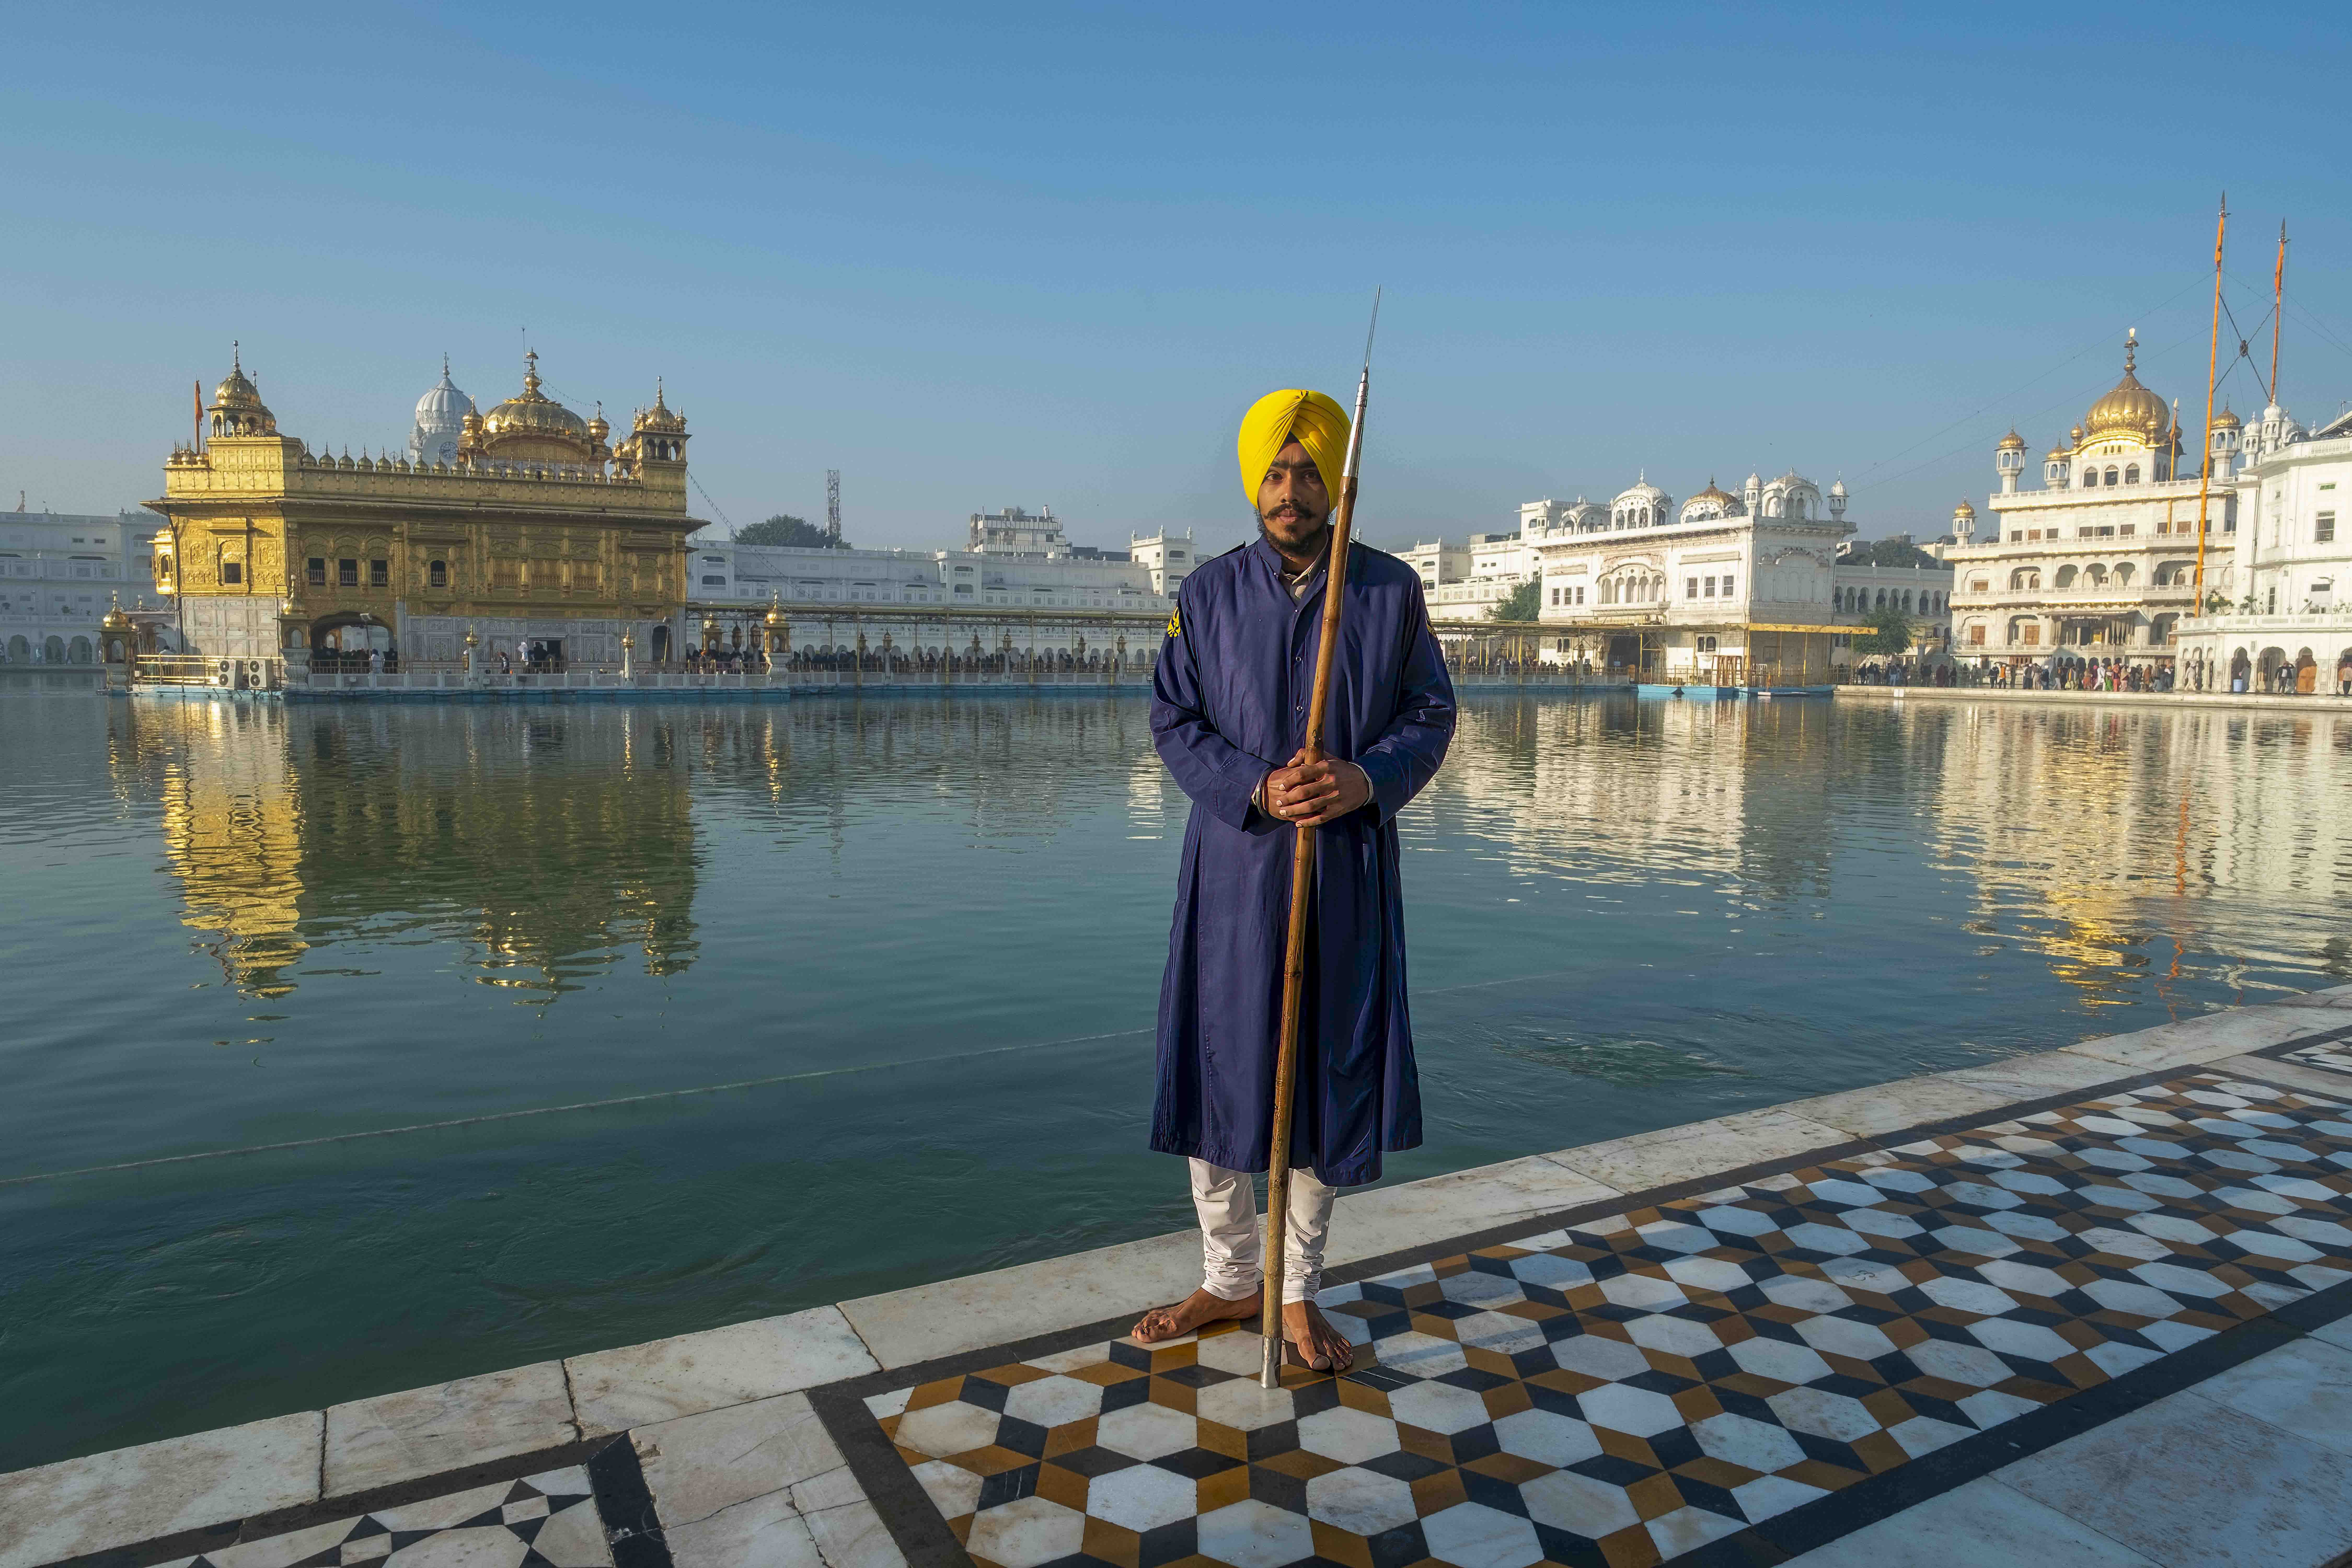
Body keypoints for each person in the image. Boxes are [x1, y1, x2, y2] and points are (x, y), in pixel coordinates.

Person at [1132, 388, 1456, 1373]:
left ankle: (1299, 1289)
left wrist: (1363, 777)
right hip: (1236, 873)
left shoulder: (1390, 594)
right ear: (1252, 484)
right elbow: (1174, 723)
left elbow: (1430, 717)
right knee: (1224, 1072)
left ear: (1339, 483)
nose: (1291, 491)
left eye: (1310, 472)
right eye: (1276, 473)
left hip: (1342, 873)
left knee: (1325, 1076)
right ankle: (1232, 1280)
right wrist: (1256, 787)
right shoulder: (1208, 597)